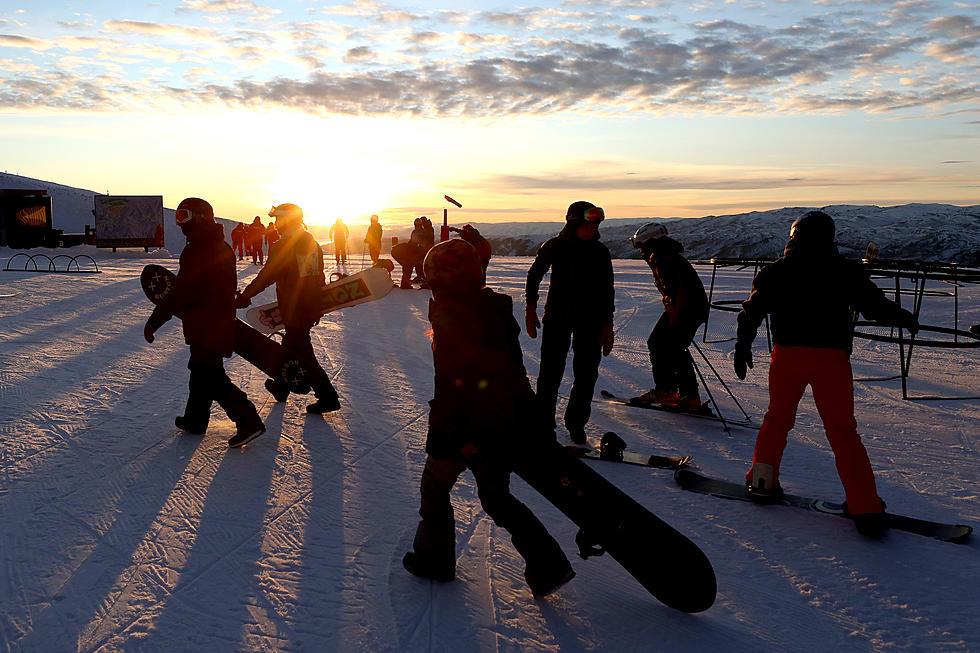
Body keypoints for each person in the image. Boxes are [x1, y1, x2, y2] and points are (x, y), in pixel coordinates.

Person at [403, 239, 575, 598]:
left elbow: (457, 383)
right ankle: (549, 565)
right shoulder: (490, 308)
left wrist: (464, 435)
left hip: (467, 424)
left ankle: (433, 560)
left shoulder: (455, 316)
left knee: (435, 488)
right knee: (496, 498)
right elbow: (506, 372)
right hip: (504, 419)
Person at [734, 210, 919, 537]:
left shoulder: (775, 271)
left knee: (777, 420)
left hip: (787, 356)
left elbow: (752, 311)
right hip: (831, 359)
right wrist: (904, 317)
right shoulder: (846, 271)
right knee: (843, 432)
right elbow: (876, 308)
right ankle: (866, 508)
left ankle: (762, 482)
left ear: (794, 236)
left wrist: (743, 346)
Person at [143, 197, 265, 448]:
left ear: (199, 217)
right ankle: (195, 420)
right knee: (201, 371)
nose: (180, 223)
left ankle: (249, 420)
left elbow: (180, 292)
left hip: (207, 322)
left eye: (183, 216)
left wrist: (155, 321)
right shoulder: (216, 245)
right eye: (178, 216)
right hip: (213, 320)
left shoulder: (199, 249)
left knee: (209, 375)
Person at [236, 203, 341, 414]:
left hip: (295, 308)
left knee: (303, 354)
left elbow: (267, 275)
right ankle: (280, 388)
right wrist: (317, 306)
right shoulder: (311, 243)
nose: (275, 225)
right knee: (290, 349)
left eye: (277, 221)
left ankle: (327, 396)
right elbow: (318, 277)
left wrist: (246, 296)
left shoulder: (284, 246)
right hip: (309, 306)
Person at [525, 202, 614, 444]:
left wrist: (608, 324)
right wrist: (530, 307)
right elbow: (534, 275)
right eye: (588, 224)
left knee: (586, 375)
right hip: (557, 317)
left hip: (591, 321)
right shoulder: (555, 246)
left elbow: (607, 290)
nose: (592, 229)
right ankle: (543, 424)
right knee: (550, 374)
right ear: (574, 223)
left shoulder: (600, 251)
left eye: (595, 225)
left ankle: (576, 424)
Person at [629, 223, 709, 412]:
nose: (640, 249)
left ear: (650, 241)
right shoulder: (665, 254)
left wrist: (674, 310)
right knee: (672, 348)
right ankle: (686, 395)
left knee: (660, 345)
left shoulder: (662, 256)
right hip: (689, 308)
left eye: (640, 244)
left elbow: (676, 286)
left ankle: (669, 391)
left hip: (684, 309)